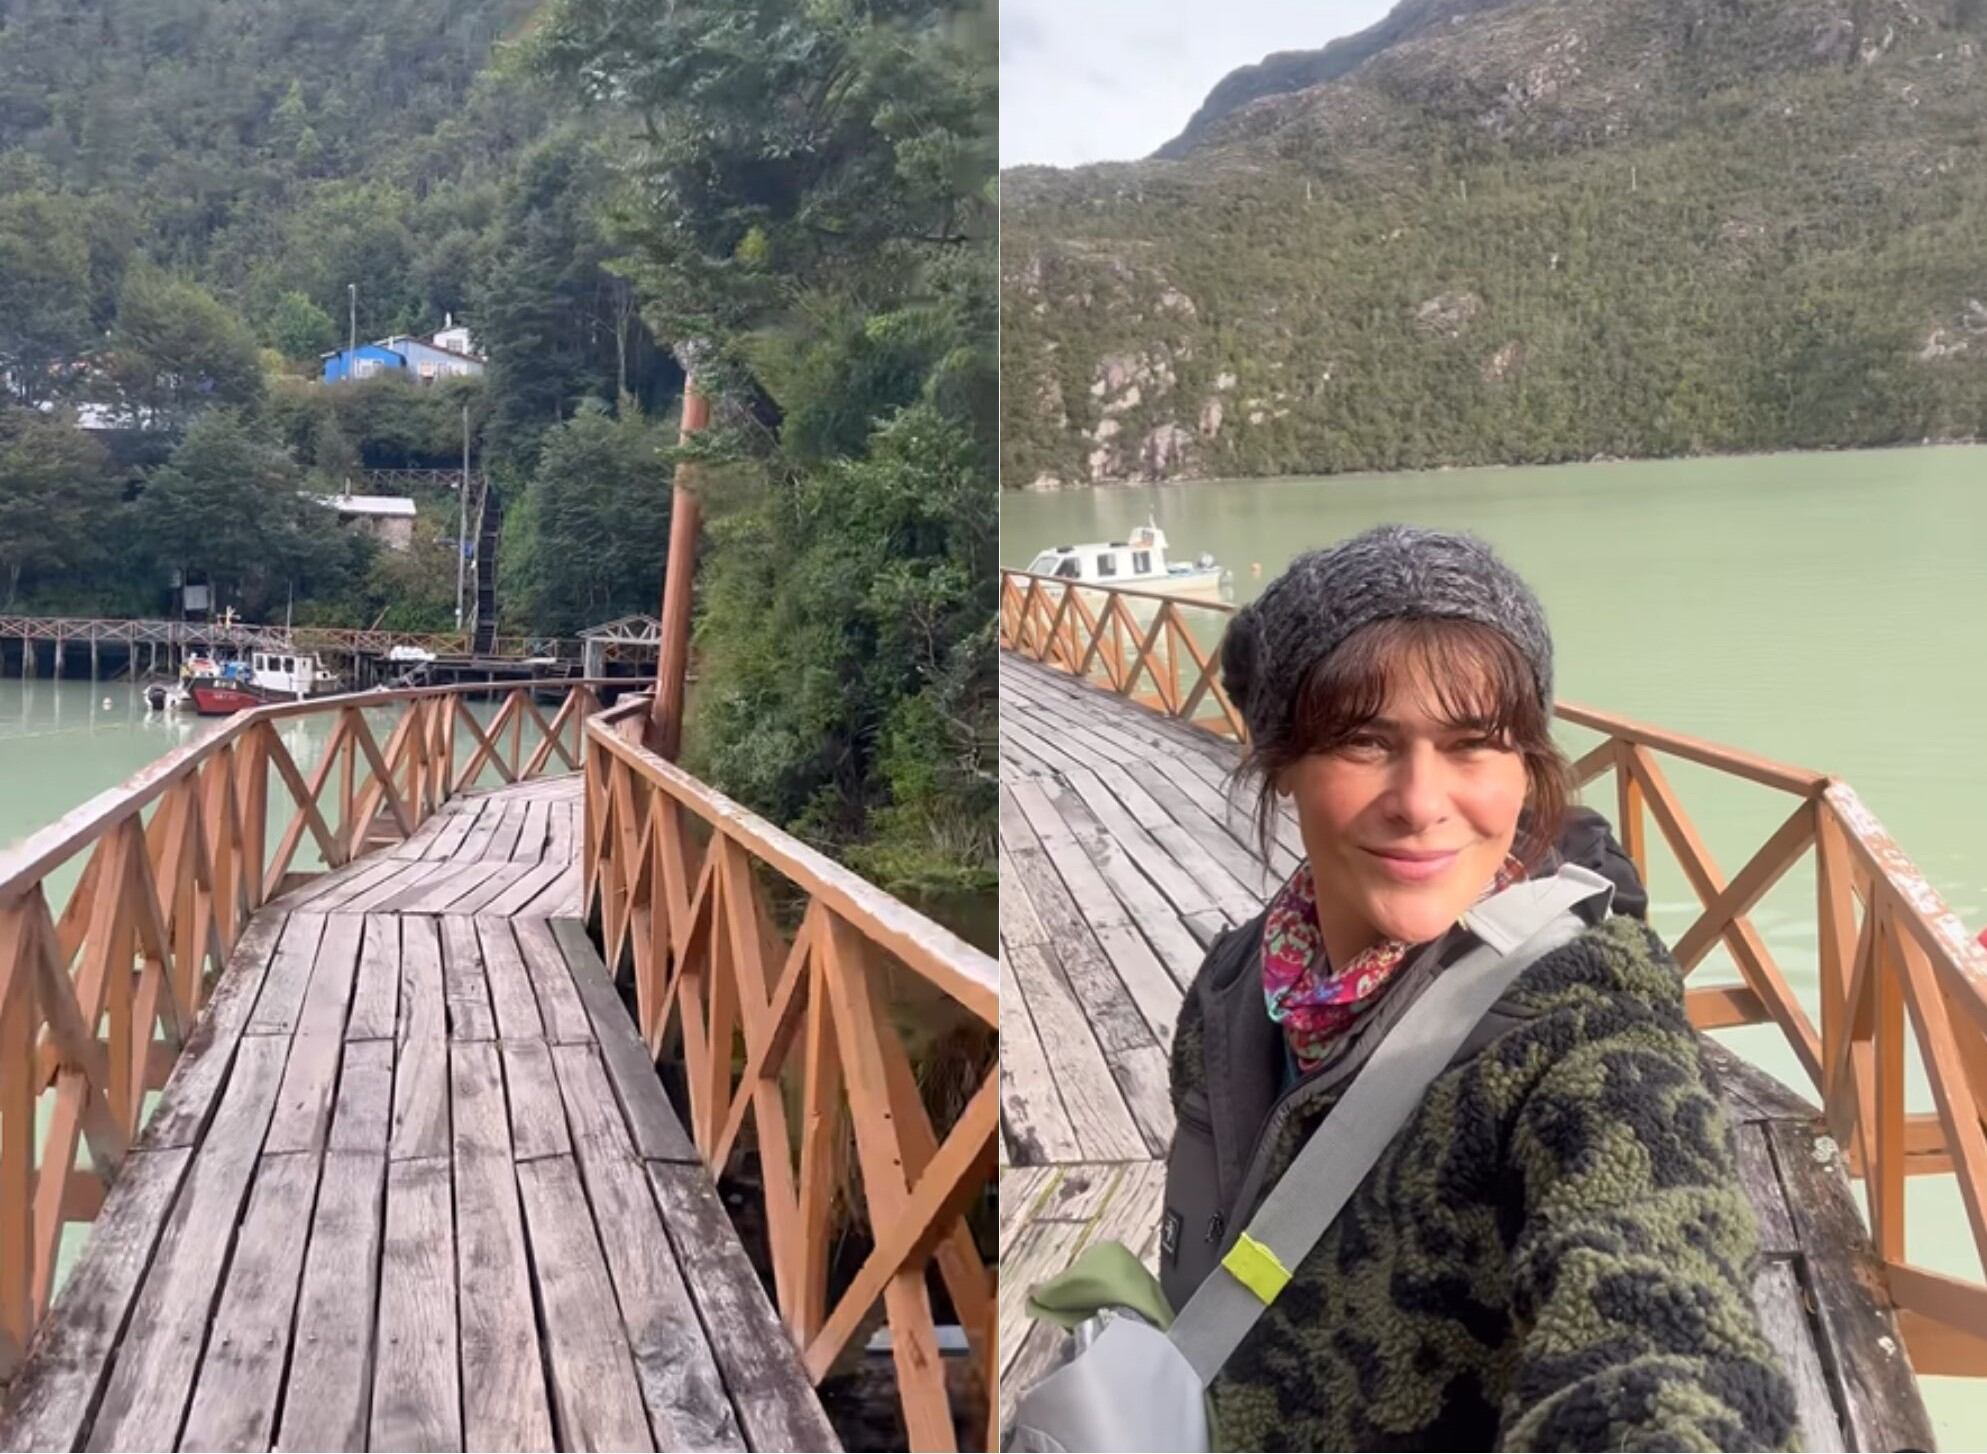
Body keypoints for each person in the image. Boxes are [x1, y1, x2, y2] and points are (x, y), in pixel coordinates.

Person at [1160, 525, 1795, 1451]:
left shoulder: (1579, 1024)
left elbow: (1654, 1294)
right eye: (1363, 742)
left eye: (1472, 745)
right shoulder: (1236, 985)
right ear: (1280, 760)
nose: (1420, 803)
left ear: (1525, 768)